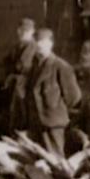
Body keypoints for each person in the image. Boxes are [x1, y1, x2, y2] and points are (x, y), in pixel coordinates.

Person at [25, 28, 82, 159]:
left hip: (53, 124)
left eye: (43, 42)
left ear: (51, 44)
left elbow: (74, 97)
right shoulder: (33, 67)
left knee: (55, 160)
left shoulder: (61, 66)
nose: (39, 45)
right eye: (36, 42)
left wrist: (55, 108)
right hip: (36, 123)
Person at [2, 18, 37, 134]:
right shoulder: (18, 47)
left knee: (22, 113)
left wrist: (13, 74)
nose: (21, 33)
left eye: (25, 31)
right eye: (20, 30)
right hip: (17, 85)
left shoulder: (32, 46)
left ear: (32, 32)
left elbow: (22, 65)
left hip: (26, 85)